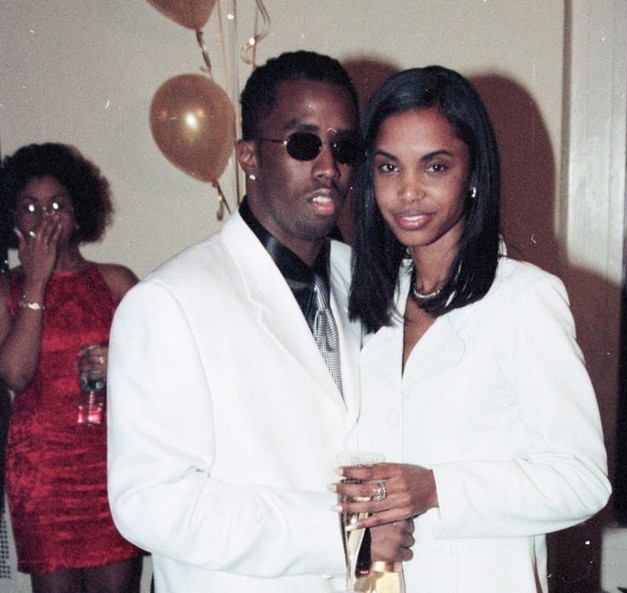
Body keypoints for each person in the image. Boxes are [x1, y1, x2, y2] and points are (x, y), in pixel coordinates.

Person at [106, 50, 414, 593]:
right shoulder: (170, 302)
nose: (328, 167)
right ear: (248, 155)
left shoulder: (364, 278)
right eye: (302, 144)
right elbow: (152, 503)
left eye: (344, 147)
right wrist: (342, 534)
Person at [335, 66, 612, 593]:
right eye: (389, 167)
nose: (408, 191)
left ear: (474, 173)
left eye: (435, 166)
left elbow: (582, 480)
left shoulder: (524, 298)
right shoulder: (368, 297)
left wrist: (437, 489)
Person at [0, 143, 142, 593]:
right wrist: (37, 279)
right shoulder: (5, 289)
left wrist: (120, 365)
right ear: (13, 219)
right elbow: (16, 376)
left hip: (110, 467)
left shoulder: (116, 281)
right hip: (42, 474)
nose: (45, 216)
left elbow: (163, 376)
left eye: (57, 204)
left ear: (79, 214)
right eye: (30, 206)